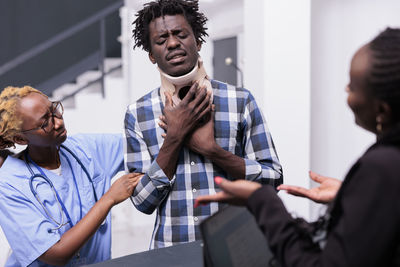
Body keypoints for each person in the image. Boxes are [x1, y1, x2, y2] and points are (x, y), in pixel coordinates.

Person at [195, 28, 400, 266]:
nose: (346, 90)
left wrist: (261, 199)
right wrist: (353, 198)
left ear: (382, 111)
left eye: (352, 87)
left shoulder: (383, 167)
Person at [124, 0, 283, 248]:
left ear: (197, 41)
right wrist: (174, 138)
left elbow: (273, 180)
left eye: (180, 34)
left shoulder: (240, 100)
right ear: (152, 56)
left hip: (236, 250)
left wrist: (213, 151)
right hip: (171, 256)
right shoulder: (138, 113)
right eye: (161, 39)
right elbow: (142, 202)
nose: (173, 43)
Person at [0, 86, 142, 267]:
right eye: (45, 123)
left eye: (54, 110)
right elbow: (56, 254)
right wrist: (109, 199)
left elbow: (139, 144)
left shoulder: (83, 149)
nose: (58, 122)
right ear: (21, 139)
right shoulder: (8, 184)